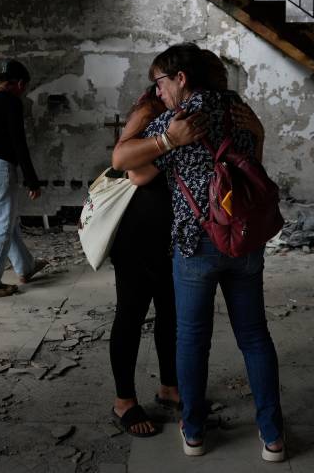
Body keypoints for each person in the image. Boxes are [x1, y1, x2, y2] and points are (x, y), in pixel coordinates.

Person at [114, 43, 285, 462]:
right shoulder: (240, 111)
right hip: (244, 239)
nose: (159, 92)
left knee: (191, 339)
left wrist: (165, 139)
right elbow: (253, 168)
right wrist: (259, 135)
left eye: (161, 83)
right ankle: (273, 437)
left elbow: (126, 164)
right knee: (255, 338)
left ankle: (193, 433)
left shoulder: (180, 119)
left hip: (196, 244)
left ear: (182, 78)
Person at [106, 86, 203, 438]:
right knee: (130, 315)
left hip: (170, 235)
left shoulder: (186, 114)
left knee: (170, 314)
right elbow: (133, 170)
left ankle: (169, 387)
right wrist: (170, 141)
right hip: (137, 233)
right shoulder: (151, 110)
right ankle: (124, 401)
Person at [0, 59, 48, 300]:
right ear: (20, 83)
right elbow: (18, 143)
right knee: (1, 226)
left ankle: (26, 267)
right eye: (24, 87)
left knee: (6, 221)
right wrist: (32, 180)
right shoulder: (11, 102)